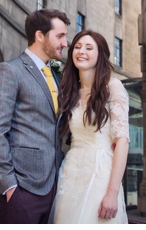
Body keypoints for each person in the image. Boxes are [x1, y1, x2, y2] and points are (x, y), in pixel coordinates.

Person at [0, 9, 70, 224]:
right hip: (22, 189)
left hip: (52, 187)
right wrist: (9, 185)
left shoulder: (57, 76)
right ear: (40, 36)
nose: (65, 43)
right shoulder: (10, 71)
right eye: (60, 36)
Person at [51, 30, 129, 224]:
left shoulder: (113, 86)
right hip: (71, 173)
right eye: (77, 47)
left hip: (101, 172)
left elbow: (122, 141)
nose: (81, 51)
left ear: (100, 54)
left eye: (88, 48)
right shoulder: (68, 92)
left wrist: (112, 192)